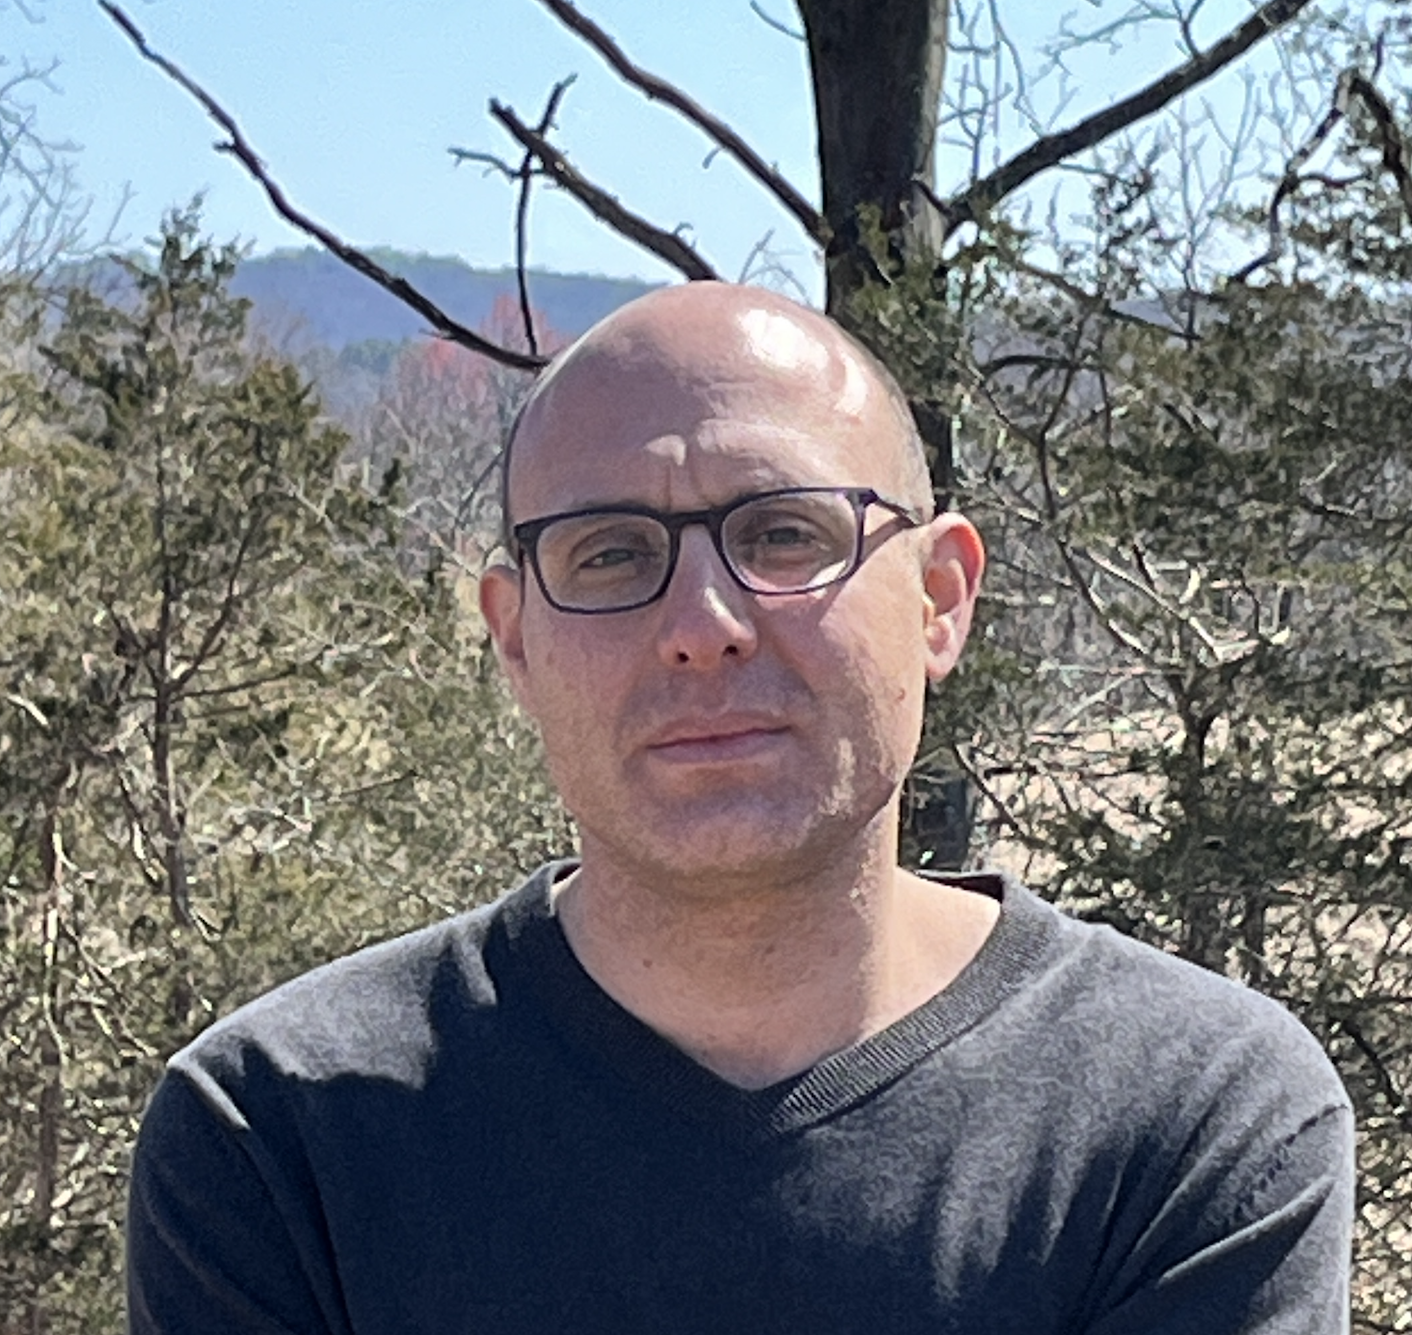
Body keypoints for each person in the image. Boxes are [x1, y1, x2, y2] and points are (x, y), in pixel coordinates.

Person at [127, 283, 1354, 1334]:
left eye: (781, 534)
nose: (702, 626)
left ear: (939, 598)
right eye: (610, 552)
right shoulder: (279, 1136)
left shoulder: (1187, 1117)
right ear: (515, 641)